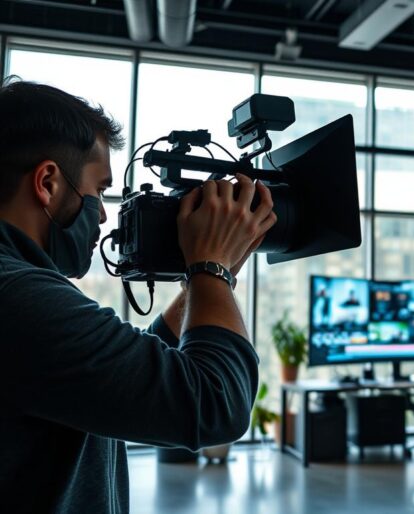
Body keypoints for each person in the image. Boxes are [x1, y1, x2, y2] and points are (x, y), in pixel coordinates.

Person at [0, 80, 277, 513]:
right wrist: (211, 270)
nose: (105, 213)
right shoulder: (17, 296)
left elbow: (126, 378)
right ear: (48, 182)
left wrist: (200, 284)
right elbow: (215, 403)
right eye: (98, 191)